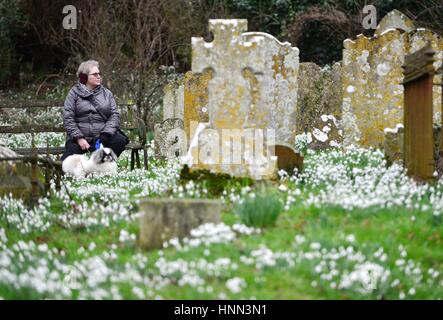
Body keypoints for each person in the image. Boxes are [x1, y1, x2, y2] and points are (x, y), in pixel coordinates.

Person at [61, 60, 129, 162]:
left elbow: (114, 115)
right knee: (68, 160)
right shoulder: (73, 94)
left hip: (102, 137)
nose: (99, 76)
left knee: (119, 141)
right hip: (81, 139)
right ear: (84, 77)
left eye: (99, 74)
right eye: (95, 74)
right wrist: (79, 138)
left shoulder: (107, 94)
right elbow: (68, 118)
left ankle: (101, 167)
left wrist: (105, 135)